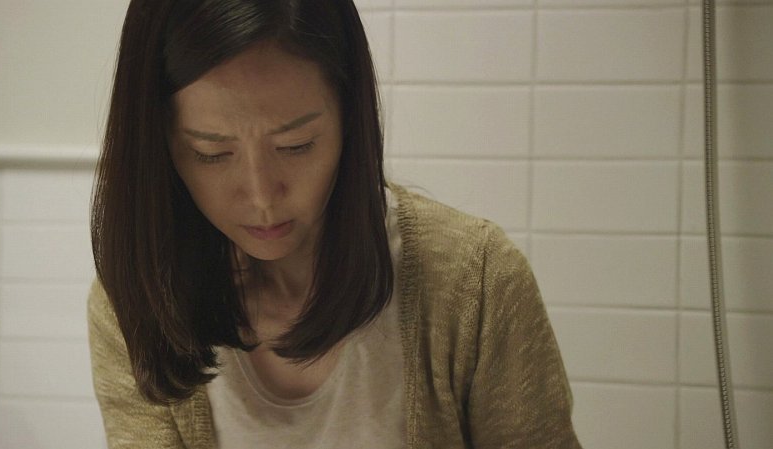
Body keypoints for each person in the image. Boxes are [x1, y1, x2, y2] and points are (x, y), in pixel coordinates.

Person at [88, 0, 582, 448]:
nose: (261, 197)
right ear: (159, 143)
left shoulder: (475, 283)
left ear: (351, 117)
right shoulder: (139, 302)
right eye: (211, 153)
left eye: (296, 146)